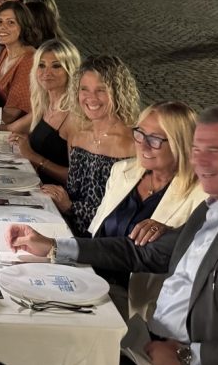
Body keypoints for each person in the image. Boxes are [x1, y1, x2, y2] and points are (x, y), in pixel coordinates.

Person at [7, 104, 218, 365]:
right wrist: (53, 246)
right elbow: (139, 252)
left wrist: (186, 355)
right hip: (144, 337)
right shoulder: (214, 206)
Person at [87, 101, 207, 320]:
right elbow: (96, 233)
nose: (143, 145)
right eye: (140, 134)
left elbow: (205, 263)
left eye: (155, 139)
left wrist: (171, 234)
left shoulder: (202, 195)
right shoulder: (122, 172)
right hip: (91, 284)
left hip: (140, 309)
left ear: (181, 144)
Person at [41, 55, 139, 236]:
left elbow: (124, 216)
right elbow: (73, 186)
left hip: (101, 244)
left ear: (118, 92)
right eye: (84, 89)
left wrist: (70, 207)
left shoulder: (133, 144)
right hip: (65, 229)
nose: (91, 98)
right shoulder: (78, 136)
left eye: (101, 90)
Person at [7, 38, 81, 186]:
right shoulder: (45, 104)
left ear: (70, 70)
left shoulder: (74, 117)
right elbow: (9, 129)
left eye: (56, 66)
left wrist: (32, 156)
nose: (47, 73)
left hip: (51, 199)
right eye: (41, 66)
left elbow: (75, 178)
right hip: (28, 181)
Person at [0, 1, 40, 125]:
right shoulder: (6, 52)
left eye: (11, 22)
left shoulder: (29, 61)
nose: (2, 27)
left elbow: (9, 116)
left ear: (24, 26)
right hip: (1, 120)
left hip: (18, 132)